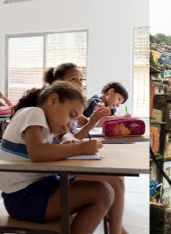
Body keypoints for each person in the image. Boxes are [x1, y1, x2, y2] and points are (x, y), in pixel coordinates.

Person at [0, 82, 113, 234]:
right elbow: (37, 153)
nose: (69, 124)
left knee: (103, 189)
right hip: (23, 199)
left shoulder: (44, 123)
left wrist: (73, 138)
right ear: (53, 100)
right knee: (102, 192)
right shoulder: (34, 113)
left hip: (34, 191)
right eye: (71, 115)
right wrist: (80, 147)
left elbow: (68, 138)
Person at [42, 63, 128, 234]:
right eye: (74, 79)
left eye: (81, 80)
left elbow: (70, 137)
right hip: (56, 167)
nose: (80, 84)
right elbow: (59, 144)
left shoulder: (66, 105)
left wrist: (93, 120)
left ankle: (116, 228)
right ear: (57, 83)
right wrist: (86, 132)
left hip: (63, 160)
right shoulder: (49, 108)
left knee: (118, 179)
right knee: (114, 182)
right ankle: (116, 230)